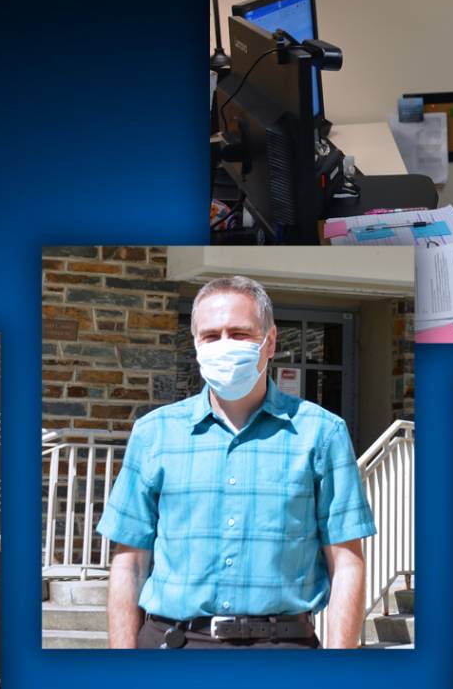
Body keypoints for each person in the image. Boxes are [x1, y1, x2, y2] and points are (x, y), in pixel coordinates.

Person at [96, 275, 376, 649]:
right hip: (172, 645)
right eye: (211, 336)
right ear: (195, 343)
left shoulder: (322, 434)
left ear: (270, 341)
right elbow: (129, 562)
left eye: (240, 334)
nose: (224, 345)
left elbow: (347, 562)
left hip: (281, 650)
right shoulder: (154, 433)